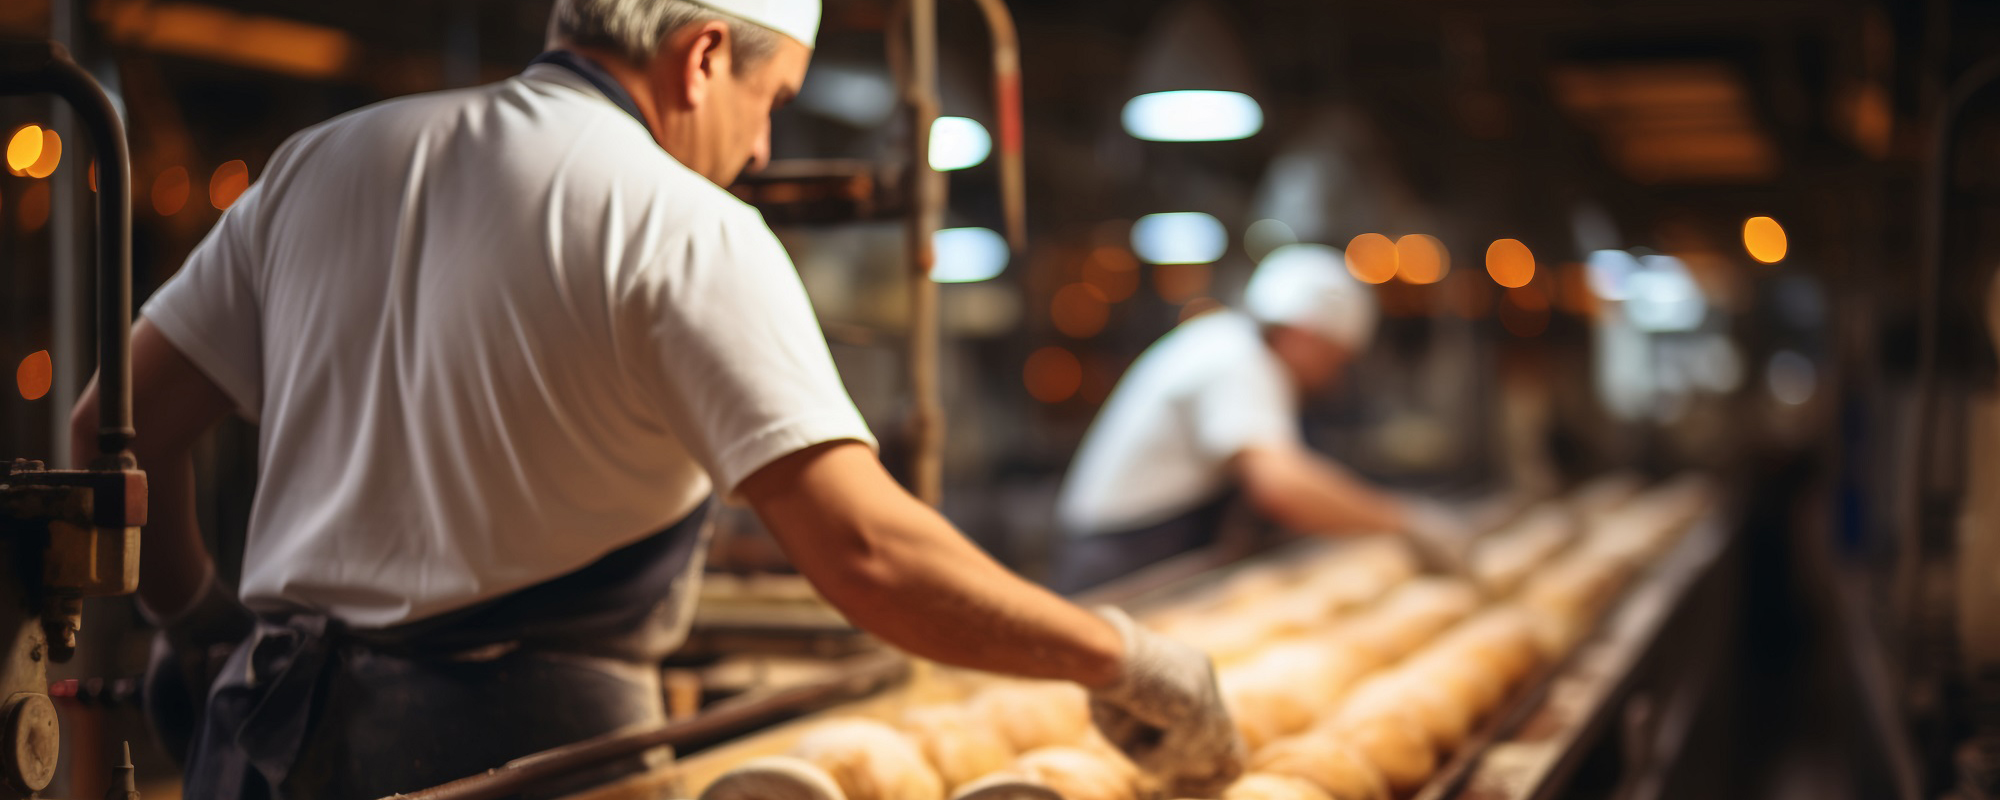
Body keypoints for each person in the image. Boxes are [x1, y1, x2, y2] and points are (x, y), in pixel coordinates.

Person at [67, 1, 1243, 797]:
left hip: (264, 745)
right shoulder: (682, 224)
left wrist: (199, 621)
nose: (760, 146)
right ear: (701, 57)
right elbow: (867, 553)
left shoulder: (319, 162)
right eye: (771, 100)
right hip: (527, 759)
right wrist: (1119, 655)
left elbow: (108, 437)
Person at [1053, 244, 1466, 593]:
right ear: (1305, 334)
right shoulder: (1236, 359)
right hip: (1122, 561)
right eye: (1335, 359)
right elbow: (1281, 486)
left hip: (1147, 549)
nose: (1335, 378)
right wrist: (1404, 521)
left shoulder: (1229, 344)